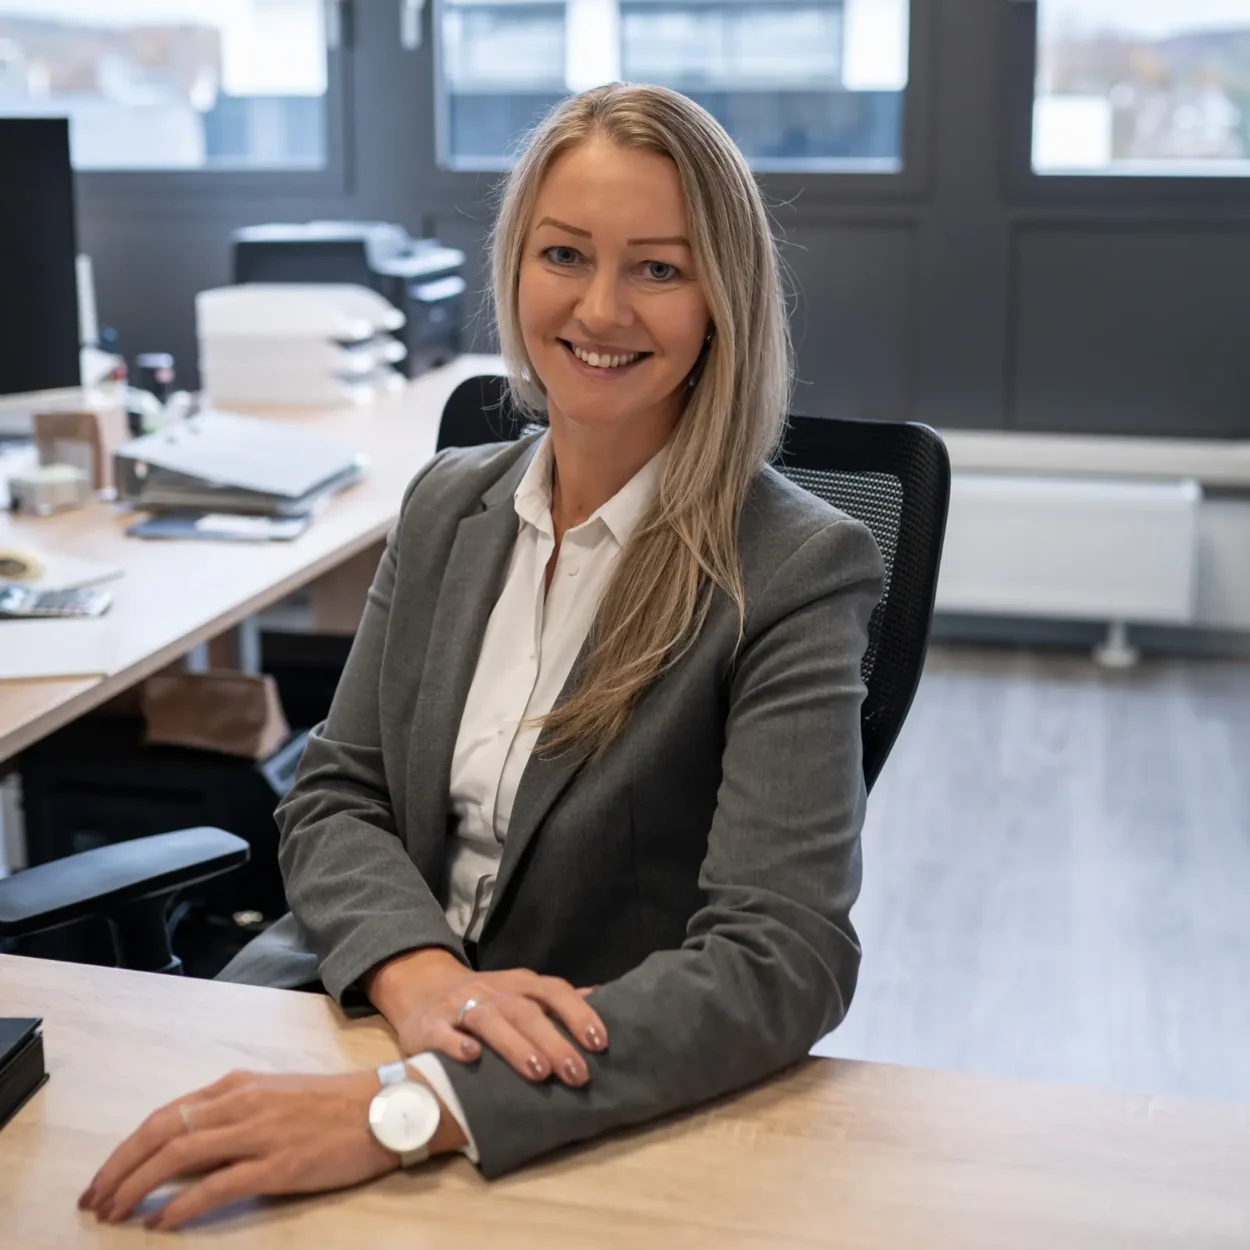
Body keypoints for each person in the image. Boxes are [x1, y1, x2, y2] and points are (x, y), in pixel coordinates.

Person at [79, 82, 885, 1232]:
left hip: (560, 1103)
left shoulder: (797, 566)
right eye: (564, 253)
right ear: (514, 267)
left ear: (723, 299)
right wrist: (418, 975)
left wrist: (411, 1105)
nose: (600, 307)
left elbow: (782, 953)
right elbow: (336, 791)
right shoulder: (448, 504)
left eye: (657, 267)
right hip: (343, 1011)